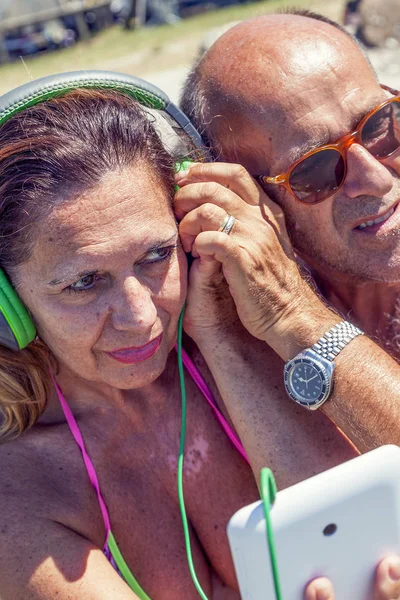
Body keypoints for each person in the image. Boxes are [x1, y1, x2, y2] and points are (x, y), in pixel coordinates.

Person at [0, 74, 398, 600]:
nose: (141, 317)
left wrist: (222, 337)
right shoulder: (20, 490)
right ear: (9, 306)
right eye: (84, 282)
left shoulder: (245, 346)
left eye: (155, 256)